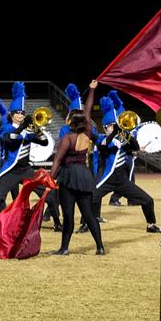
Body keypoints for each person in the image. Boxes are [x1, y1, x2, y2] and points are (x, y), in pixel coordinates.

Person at [0, 82, 49, 234]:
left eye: (23, 113)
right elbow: (10, 140)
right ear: (11, 114)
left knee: (47, 193)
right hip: (10, 169)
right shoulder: (6, 126)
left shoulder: (27, 131)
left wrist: (37, 130)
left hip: (26, 169)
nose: (21, 115)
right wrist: (23, 127)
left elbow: (45, 142)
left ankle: (56, 221)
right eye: (18, 113)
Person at [48, 81, 107, 254]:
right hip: (85, 175)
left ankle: (64, 248)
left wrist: (50, 178)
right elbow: (87, 112)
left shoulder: (67, 138)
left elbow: (57, 161)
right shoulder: (87, 133)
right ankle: (100, 247)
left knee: (68, 215)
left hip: (69, 176)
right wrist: (92, 91)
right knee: (89, 214)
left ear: (70, 122)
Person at [91, 92, 160, 233]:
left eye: (115, 125)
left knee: (148, 200)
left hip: (121, 180)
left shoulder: (124, 139)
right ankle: (88, 222)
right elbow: (105, 145)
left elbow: (134, 147)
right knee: (90, 198)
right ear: (105, 127)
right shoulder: (101, 138)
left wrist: (127, 133)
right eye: (111, 125)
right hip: (106, 178)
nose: (114, 127)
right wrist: (114, 132)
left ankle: (151, 225)